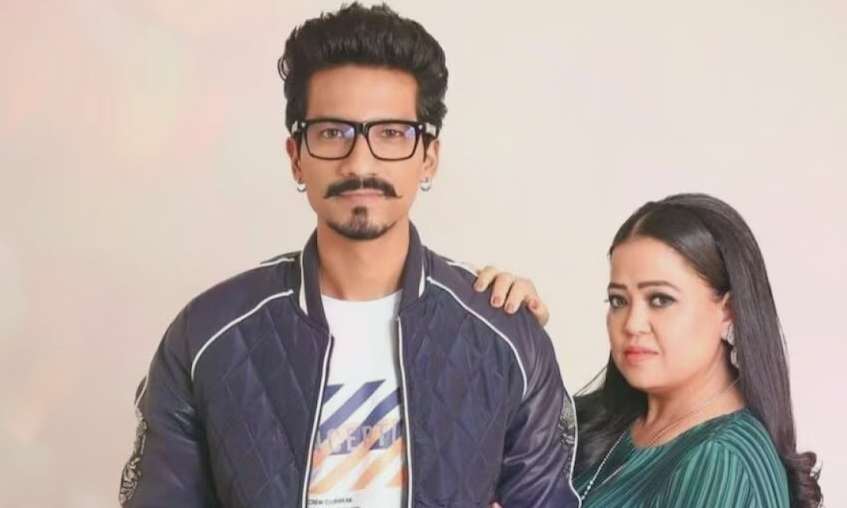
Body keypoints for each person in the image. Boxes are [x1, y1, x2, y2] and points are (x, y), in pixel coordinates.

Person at [117, 4, 581, 508]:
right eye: (332, 133)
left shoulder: (505, 337)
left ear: (429, 157)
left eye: (391, 134)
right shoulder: (208, 334)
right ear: (296, 157)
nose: (360, 163)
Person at [479, 192, 823, 507]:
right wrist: (507, 330)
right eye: (619, 300)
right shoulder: (603, 422)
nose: (632, 323)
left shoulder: (724, 462)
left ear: (729, 313)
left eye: (660, 299)